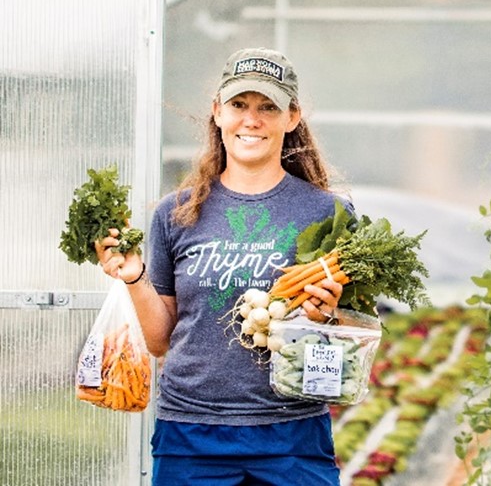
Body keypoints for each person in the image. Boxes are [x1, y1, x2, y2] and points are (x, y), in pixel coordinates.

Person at [95, 47, 350, 485]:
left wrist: (328, 316)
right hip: (192, 434)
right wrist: (134, 276)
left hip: (293, 435)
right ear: (217, 112)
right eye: (239, 105)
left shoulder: (329, 214)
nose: (252, 120)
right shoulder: (175, 213)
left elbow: (355, 336)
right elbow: (159, 342)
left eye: (268, 107)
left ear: (292, 117)